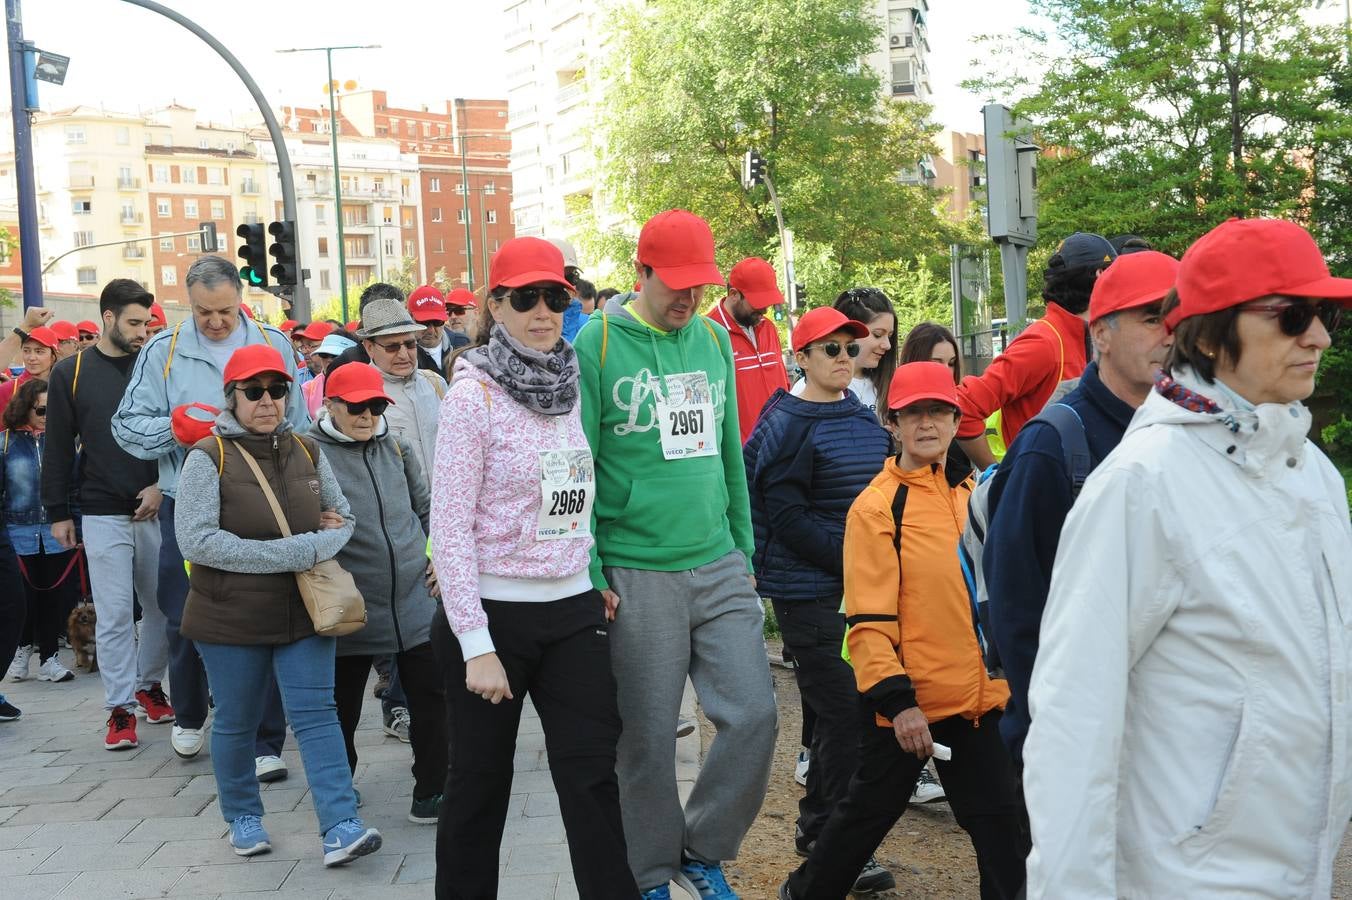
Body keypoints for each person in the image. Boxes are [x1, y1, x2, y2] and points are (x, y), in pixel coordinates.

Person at [1022, 218, 1352, 897]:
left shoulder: (1313, 474)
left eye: (1324, 315)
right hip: (1186, 880)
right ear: (1207, 330)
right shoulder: (1142, 485)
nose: (1317, 336)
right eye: (1292, 315)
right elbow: (1072, 719)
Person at [574, 209, 777, 900]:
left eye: (699, 284)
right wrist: (594, 569)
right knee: (649, 738)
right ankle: (651, 871)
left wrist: (743, 545)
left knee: (755, 713)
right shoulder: (596, 345)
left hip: (718, 558)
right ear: (642, 273)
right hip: (636, 567)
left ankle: (704, 848)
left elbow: (728, 451)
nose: (688, 297)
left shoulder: (713, 340)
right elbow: (580, 463)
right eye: (675, 284)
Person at [430, 236, 637, 898]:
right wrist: (475, 643)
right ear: (496, 305)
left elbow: (579, 490)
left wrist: (590, 574)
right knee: (479, 786)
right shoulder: (473, 396)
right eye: (526, 298)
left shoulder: (573, 382)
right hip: (494, 616)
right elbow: (451, 528)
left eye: (555, 295)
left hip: (572, 610)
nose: (543, 311)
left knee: (591, 777)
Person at [779, 362, 1026, 900]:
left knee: (1003, 831)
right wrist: (899, 701)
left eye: (938, 411)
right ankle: (805, 893)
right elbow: (866, 619)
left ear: (957, 418)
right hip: (909, 707)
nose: (927, 423)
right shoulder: (876, 508)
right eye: (913, 413)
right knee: (864, 817)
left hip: (979, 703)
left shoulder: (977, 492)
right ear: (892, 423)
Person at [173, 343, 380, 866]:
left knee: (317, 715)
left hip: (302, 613)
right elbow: (197, 541)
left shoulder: (308, 451)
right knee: (238, 720)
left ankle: (340, 825)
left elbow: (344, 517)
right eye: (254, 391)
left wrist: (319, 542)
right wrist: (296, 549)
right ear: (232, 397)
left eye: (278, 389)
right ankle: (243, 817)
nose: (267, 400)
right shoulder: (207, 457)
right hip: (229, 616)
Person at [983, 251, 1177, 767]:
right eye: (1152, 316)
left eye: (1179, 317)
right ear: (1102, 334)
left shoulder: (1185, 433)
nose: (1169, 333)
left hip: (1160, 740)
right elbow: (1016, 608)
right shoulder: (1053, 442)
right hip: (1073, 743)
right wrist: (1051, 734)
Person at [113, 255, 305, 768]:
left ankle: (266, 742)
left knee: (267, 617)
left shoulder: (274, 345)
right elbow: (125, 426)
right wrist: (173, 432)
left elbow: (302, 427)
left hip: (263, 501)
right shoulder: (163, 350)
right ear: (187, 303)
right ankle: (191, 714)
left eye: (225, 310)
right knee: (183, 614)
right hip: (188, 503)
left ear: (242, 299)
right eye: (204, 312)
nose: (216, 321)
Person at [742, 306, 894, 894]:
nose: (842, 359)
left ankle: (819, 830)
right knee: (846, 716)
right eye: (829, 349)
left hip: (862, 587)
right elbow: (784, 514)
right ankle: (836, 843)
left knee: (851, 716)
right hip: (809, 593)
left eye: (849, 349)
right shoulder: (786, 422)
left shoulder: (859, 414)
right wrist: (853, 555)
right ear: (801, 356)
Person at [309, 361, 447, 825]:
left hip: (412, 596)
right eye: (356, 406)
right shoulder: (307, 452)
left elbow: (425, 508)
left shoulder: (397, 445)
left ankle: (432, 789)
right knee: (340, 707)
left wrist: (438, 558)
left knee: (433, 698)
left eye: (375, 405)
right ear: (330, 405)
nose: (367, 414)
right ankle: (339, 792)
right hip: (349, 602)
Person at [43, 280, 174, 750]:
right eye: (135, 322)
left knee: (162, 607)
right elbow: (56, 446)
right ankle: (120, 709)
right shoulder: (71, 373)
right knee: (116, 614)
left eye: (148, 323)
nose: (143, 331)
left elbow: (179, 431)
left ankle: (149, 683)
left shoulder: (158, 365)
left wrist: (162, 486)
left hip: (157, 507)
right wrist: (58, 511)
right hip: (99, 509)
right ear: (108, 318)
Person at [955, 232, 1117, 469]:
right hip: (1044, 499)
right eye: (1117, 275)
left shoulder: (1089, 338)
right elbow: (964, 407)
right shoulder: (1043, 343)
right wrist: (997, 478)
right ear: (1100, 276)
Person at [3, 378, 78, 685]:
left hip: (57, 531)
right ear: (25, 408)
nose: (48, 415)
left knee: (54, 599)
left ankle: (49, 658)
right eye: (42, 409)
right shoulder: (4, 442)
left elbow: (75, 487)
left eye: (53, 409)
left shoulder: (65, 442)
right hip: (16, 532)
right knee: (21, 600)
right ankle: (20, 652)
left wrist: (80, 527)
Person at [356, 299, 447, 485]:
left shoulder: (435, 383)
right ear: (369, 347)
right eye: (392, 347)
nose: (404, 354)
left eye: (410, 344)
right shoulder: (357, 396)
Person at [707, 257, 788, 443]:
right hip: (742, 453)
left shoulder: (768, 327)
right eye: (757, 302)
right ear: (734, 294)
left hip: (780, 445)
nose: (764, 310)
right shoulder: (708, 332)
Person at [793, 288, 897, 424]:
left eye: (889, 336)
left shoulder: (885, 383)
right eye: (877, 334)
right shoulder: (807, 389)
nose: (887, 345)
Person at [408, 284, 469, 376]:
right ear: (409, 318)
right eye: (424, 322)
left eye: (437, 322)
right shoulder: (403, 354)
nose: (431, 330)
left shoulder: (462, 344)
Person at [0, 325, 59, 411]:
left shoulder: (64, 388)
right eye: (26, 351)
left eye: (39, 351)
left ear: (53, 357)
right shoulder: (7, 390)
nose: (31, 358)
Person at [301, 331, 358, 418]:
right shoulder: (307, 389)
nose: (329, 360)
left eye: (336, 355)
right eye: (324, 354)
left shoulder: (368, 386)